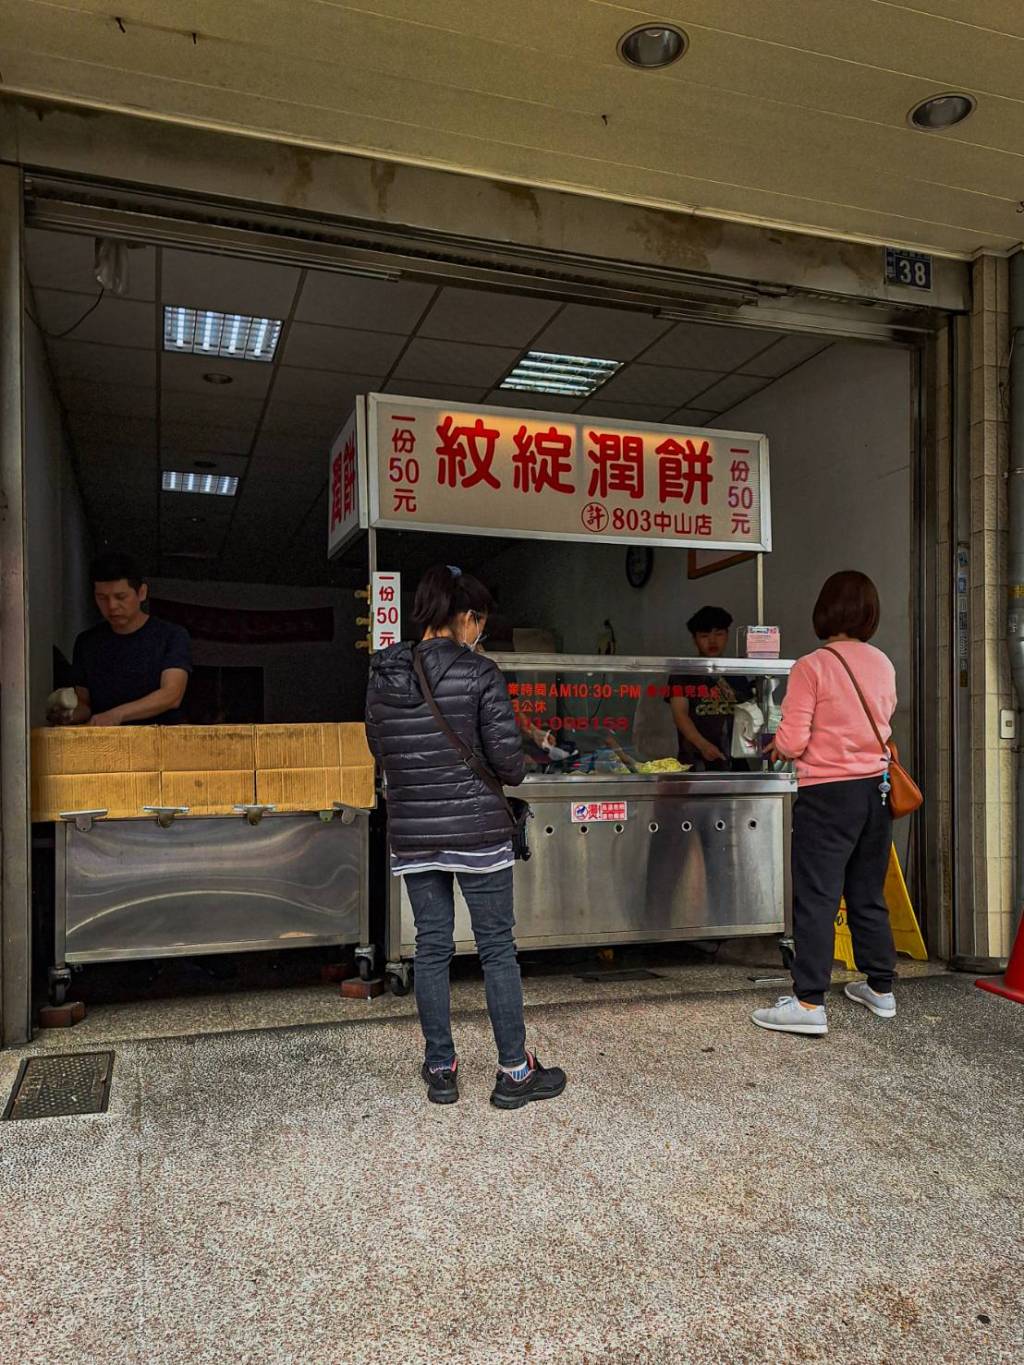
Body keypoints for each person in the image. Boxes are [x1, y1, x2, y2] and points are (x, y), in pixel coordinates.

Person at [365, 564, 566, 1110]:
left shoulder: (382, 673)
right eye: (480, 621)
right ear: (466, 617)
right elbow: (509, 765)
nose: (480, 632)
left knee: (430, 948)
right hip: (478, 831)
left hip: (412, 831)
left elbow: (379, 751)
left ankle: (441, 1069)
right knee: (496, 947)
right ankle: (514, 1072)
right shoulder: (480, 673)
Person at [752, 570, 898, 1037]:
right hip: (876, 790)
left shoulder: (812, 665)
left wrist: (776, 742)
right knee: (867, 893)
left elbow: (793, 740)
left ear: (824, 610)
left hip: (827, 794)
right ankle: (880, 987)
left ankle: (809, 1002)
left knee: (816, 896)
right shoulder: (883, 663)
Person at [49, 552, 191, 727]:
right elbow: (84, 703)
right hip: (106, 746)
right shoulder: (87, 642)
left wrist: (118, 715)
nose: (112, 606)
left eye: (120, 597)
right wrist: (68, 715)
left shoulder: (171, 635)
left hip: (160, 742)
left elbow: (171, 695)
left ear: (142, 593)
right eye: (102, 598)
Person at [667, 605, 754, 770]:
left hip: (735, 762)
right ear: (694, 639)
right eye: (705, 636)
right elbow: (680, 715)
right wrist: (703, 745)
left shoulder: (737, 673)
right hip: (696, 760)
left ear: (727, 635)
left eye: (719, 634)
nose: (712, 641)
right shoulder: (683, 674)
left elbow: (750, 715)